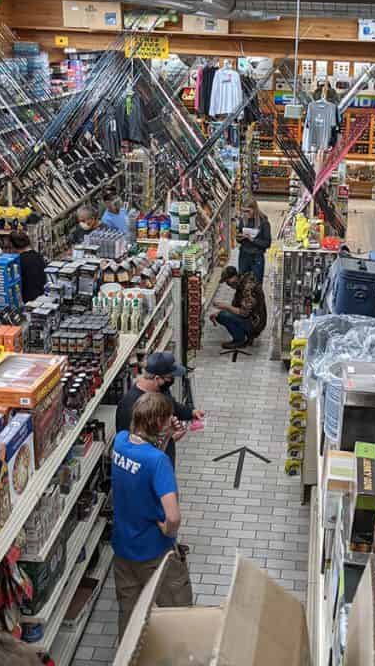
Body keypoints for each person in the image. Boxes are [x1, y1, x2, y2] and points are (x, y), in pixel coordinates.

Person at [111, 392, 193, 637]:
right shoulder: (159, 462)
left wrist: (166, 437)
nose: (171, 420)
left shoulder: (120, 441)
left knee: (130, 613)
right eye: (168, 418)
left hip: (124, 549)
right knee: (179, 613)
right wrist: (168, 530)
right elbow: (173, 515)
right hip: (155, 554)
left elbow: (140, 462)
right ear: (157, 422)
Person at [116, 352, 205, 467]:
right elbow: (133, 450)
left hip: (164, 462)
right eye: (170, 377)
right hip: (149, 472)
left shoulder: (160, 389)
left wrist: (191, 413)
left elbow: (172, 405)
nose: (172, 380)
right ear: (157, 378)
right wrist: (169, 439)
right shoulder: (130, 407)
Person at [210, 265, 267, 349]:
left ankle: (240, 340)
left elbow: (244, 313)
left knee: (223, 316)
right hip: (253, 319)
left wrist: (225, 307)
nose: (228, 284)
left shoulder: (247, 288)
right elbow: (235, 307)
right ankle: (246, 335)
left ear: (235, 277)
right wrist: (218, 312)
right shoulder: (241, 284)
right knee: (220, 315)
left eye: (228, 281)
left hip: (255, 323)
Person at [237, 196, 271, 285]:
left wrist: (252, 239)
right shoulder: (243, 220)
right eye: (244, 211)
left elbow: (267, 243)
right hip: (244, 256)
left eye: (248, 211)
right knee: (242, 283)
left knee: (256, 285)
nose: (246, 214)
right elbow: (239, 238)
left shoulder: (263, 222)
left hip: (257, 257)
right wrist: (239, 238)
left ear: (254, 209)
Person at [10, 231, 46, 303]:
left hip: (28, 301)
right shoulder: (38, 255)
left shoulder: (19, 261)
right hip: (42, 297)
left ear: (13, 246)